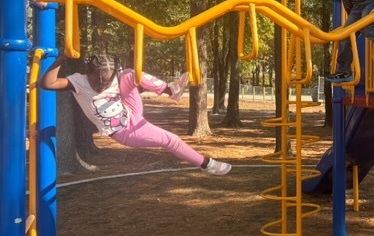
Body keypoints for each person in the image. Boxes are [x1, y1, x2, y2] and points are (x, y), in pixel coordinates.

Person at [40, 53, 231, 175]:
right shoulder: (78, 82)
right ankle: (207, 165)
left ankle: (171, 90)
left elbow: (125, 80)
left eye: (106, 83)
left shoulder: (115, 75)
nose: (101, 86)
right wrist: (61, 59)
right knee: (171, 140)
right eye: (97, 83)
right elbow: (47, 84)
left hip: (130, 110)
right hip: (124, 130)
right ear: (87, 74)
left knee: (132, 74)